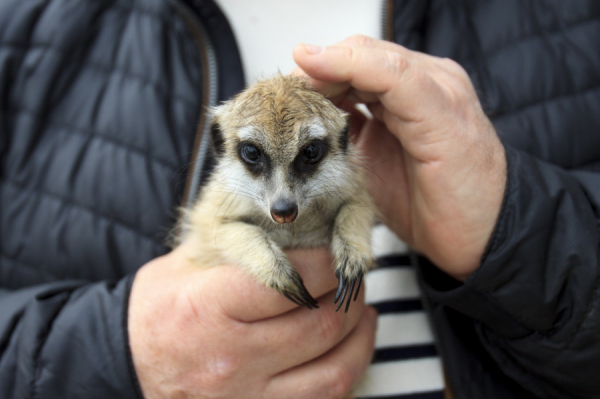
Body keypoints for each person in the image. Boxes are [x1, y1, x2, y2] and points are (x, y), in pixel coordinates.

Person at [1, 1, 599, 399]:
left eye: (311, 159)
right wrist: (116, 356)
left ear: (340, 143)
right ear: (224, 146)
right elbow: (229, 228)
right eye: (255, 159)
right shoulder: (25, 25)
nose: (282, 197)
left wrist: (520, 234)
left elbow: (353, 214)